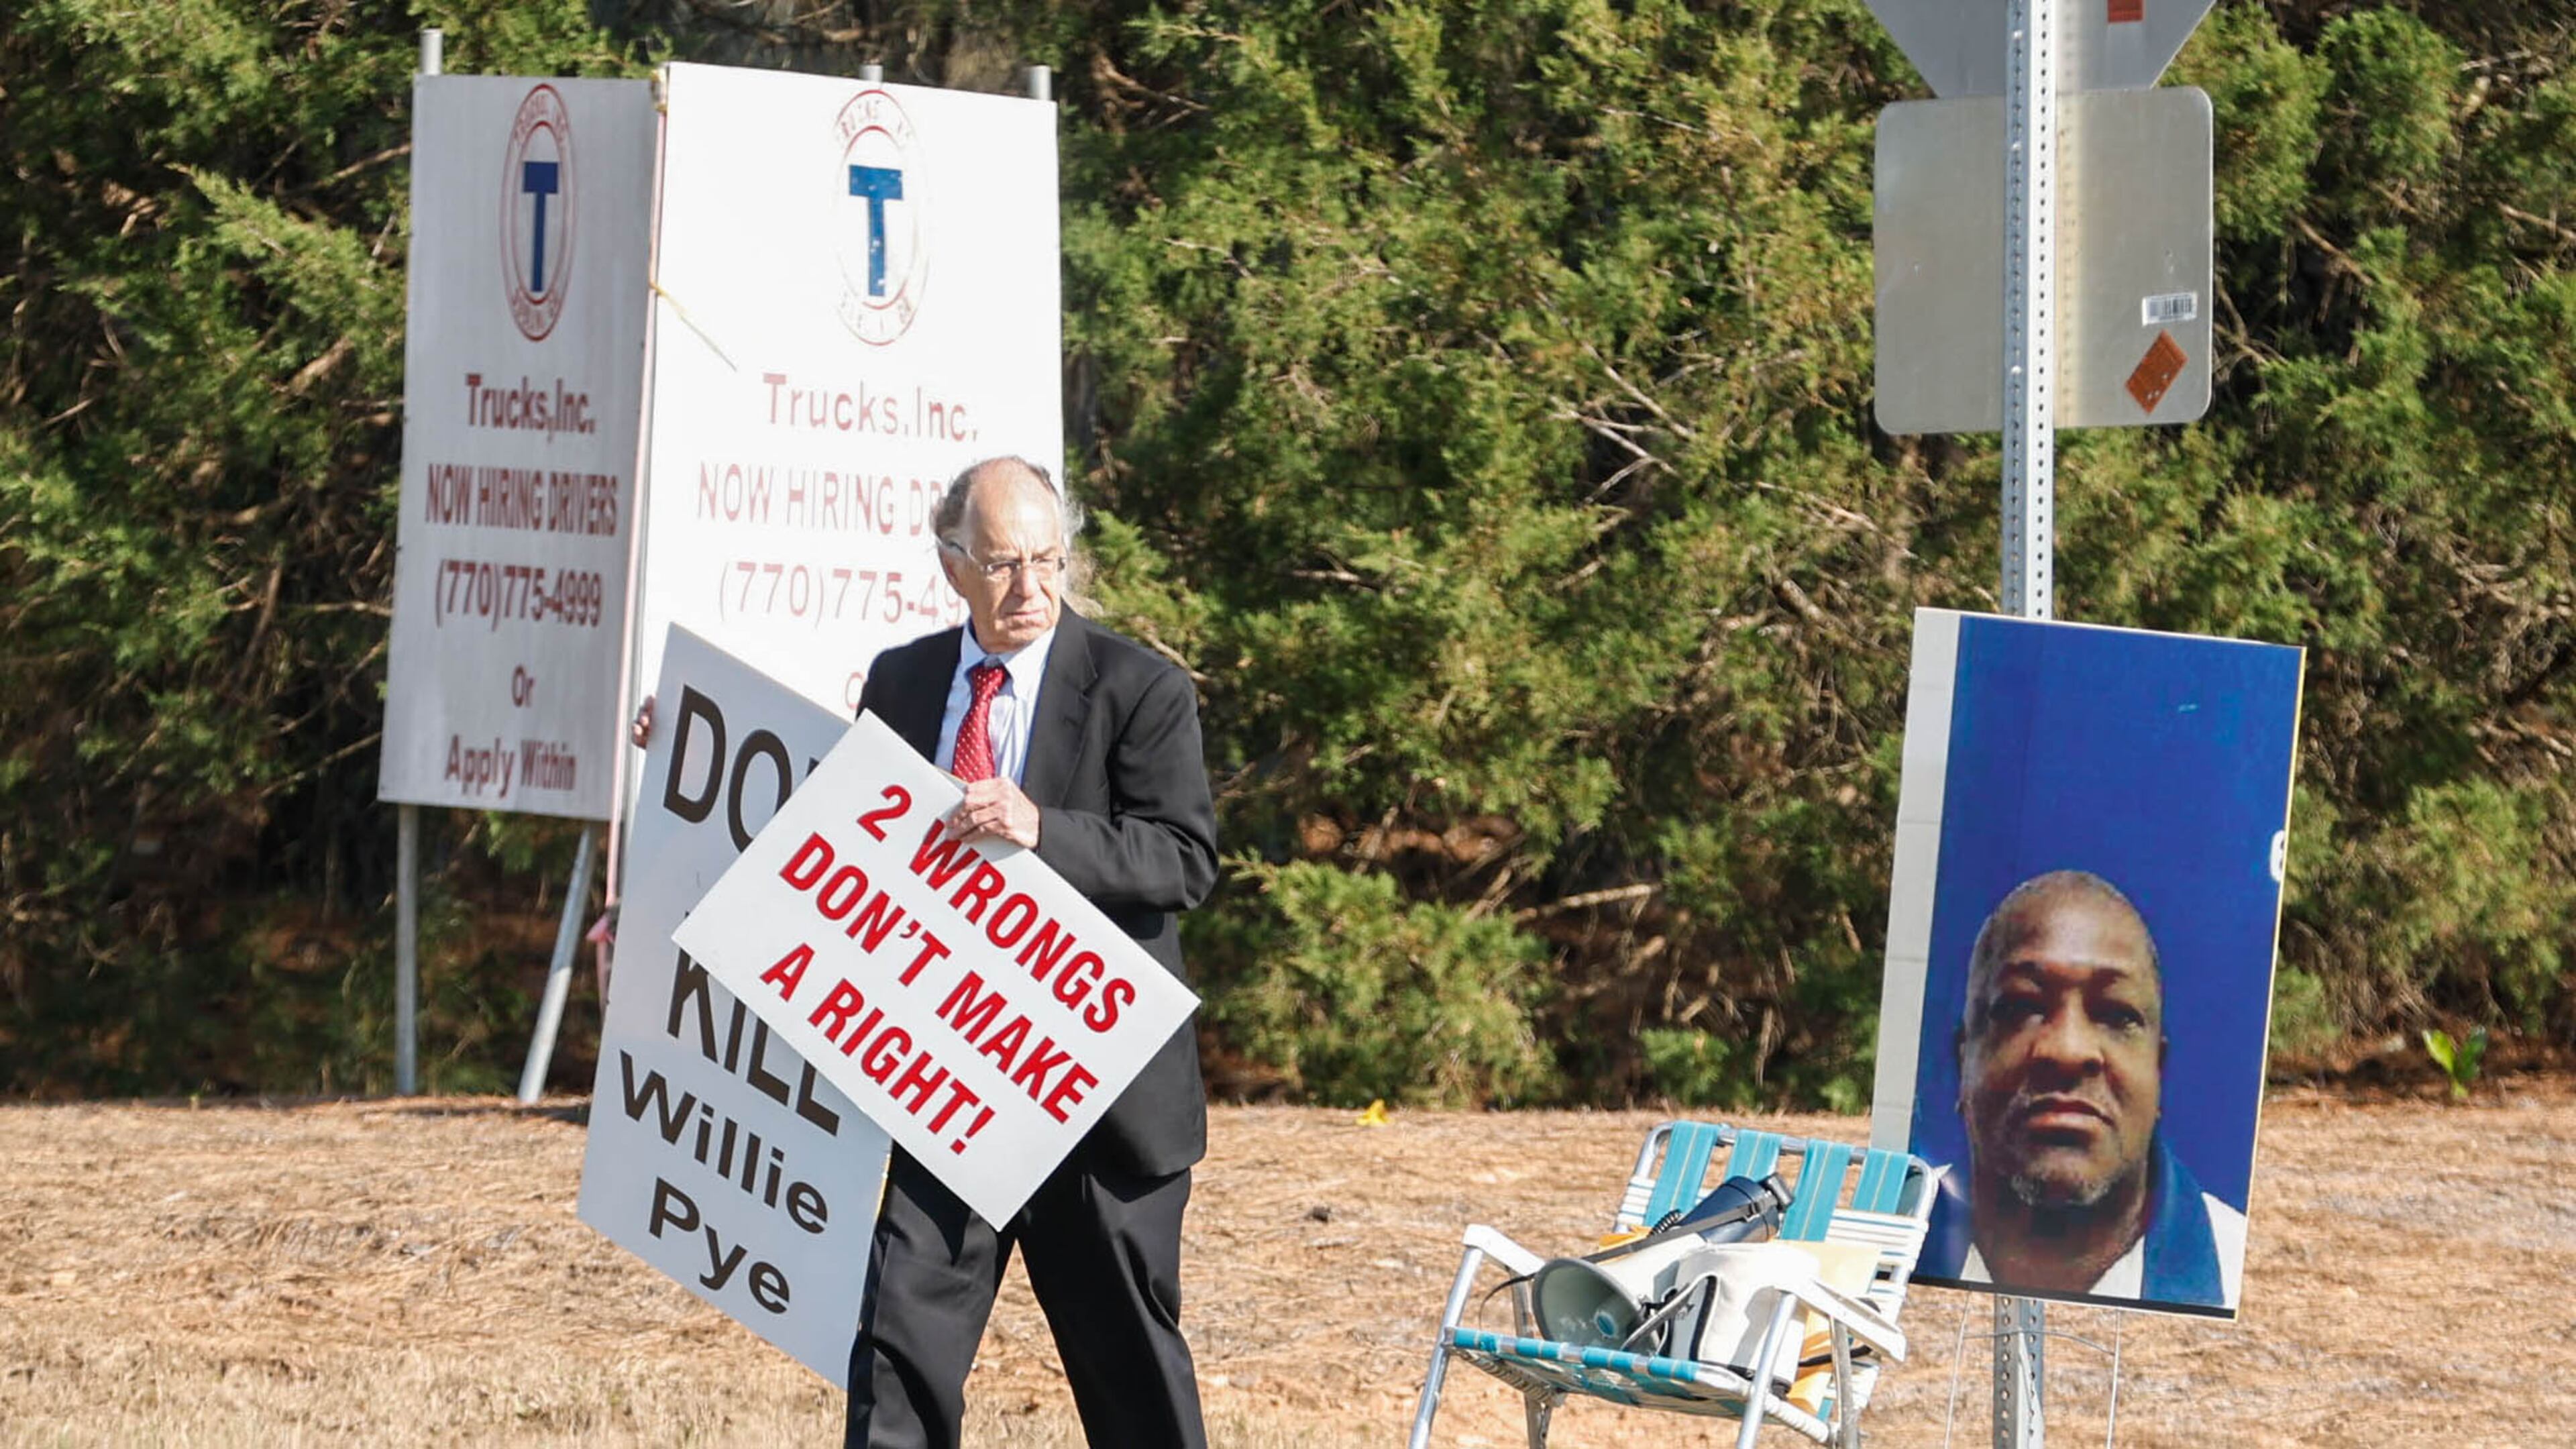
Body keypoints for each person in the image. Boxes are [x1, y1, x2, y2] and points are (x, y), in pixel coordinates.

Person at [846, 456, 1217, 1449]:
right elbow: (841, 837)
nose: (1031, 589)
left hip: (1101, 1099)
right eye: (1005, 563)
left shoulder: (1141, 689)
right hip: (951, 1077)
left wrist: (1042, 828)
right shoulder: (902, 681)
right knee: (897, 1350)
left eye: (1049, 560)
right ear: (952, 564)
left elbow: (1184, 860)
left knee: (1131, 1375)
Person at [1923, 869, 2245, 1307]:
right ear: (1964, 1062)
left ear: (2158, 1071)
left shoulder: (2237, 1267)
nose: (2068, 1050)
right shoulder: (1873, 1246)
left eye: (2115, 1014)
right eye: (2020, 1007)